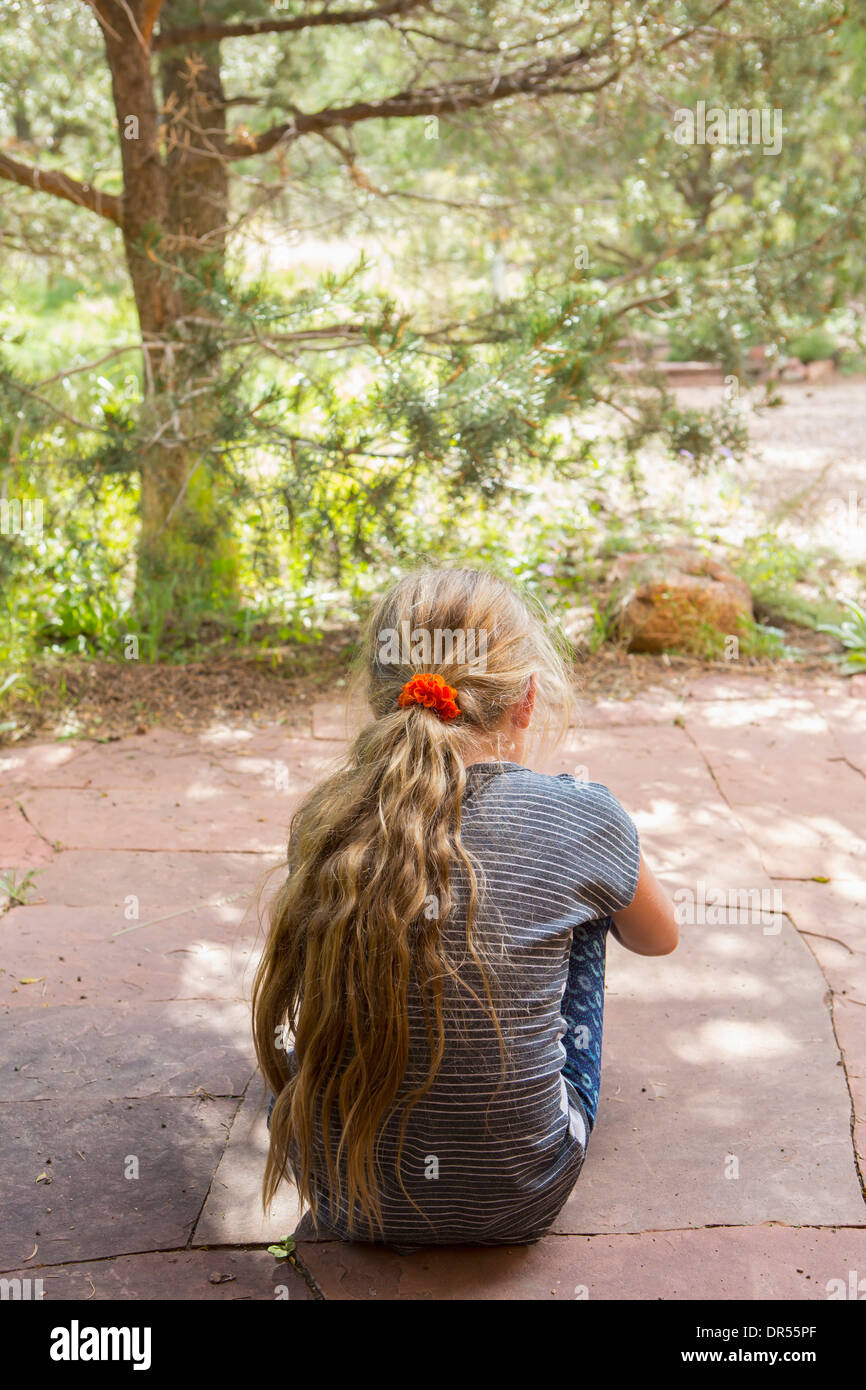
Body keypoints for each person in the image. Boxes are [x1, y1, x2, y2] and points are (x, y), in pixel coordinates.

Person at [252, 566, 678, 1248]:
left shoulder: (327, 817)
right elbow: (659, 939)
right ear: (528, 699)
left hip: (339, 1192)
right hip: (516, 1198)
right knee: (586, 902)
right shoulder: (583, 816)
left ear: (379, 698)